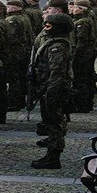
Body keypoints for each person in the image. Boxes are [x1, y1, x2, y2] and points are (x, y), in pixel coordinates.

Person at [31, 13, 73, 169]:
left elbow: (57, 73)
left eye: (48, 25)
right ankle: (52, 151)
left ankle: (53, 157)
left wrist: (51, 92)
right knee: (52, 121)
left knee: (55, 123)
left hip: (54, 89)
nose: (45, 27)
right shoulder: (53, 43)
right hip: (48, 87)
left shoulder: (57, 47)